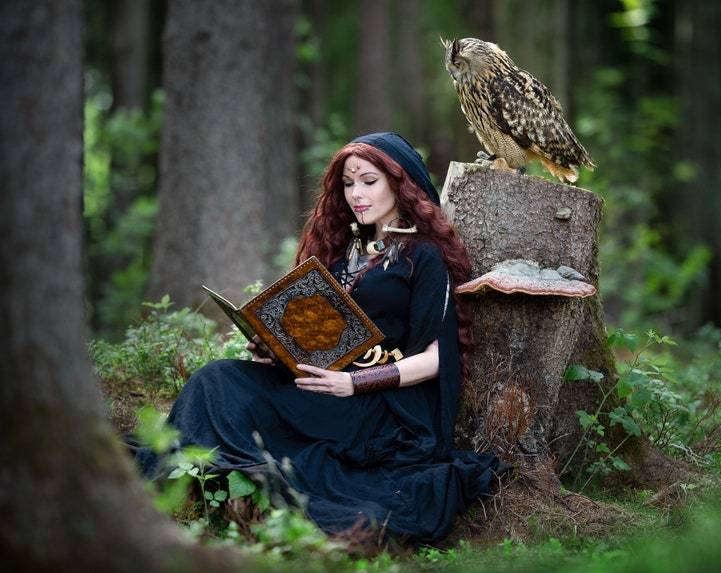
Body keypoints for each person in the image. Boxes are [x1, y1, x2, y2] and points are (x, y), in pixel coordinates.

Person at [138, 132, 503, 544]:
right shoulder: (344, 245)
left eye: (368, 181)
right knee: (215, 380)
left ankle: (210, 489)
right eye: (348, 184)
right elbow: (319, 330)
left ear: (400, 183)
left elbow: (438, 357)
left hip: (375, 406)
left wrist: (353, 383)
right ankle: (167, 489)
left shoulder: (424, 256)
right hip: (319, 385)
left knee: (247, 413)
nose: (356, 194)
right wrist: (274, 347)